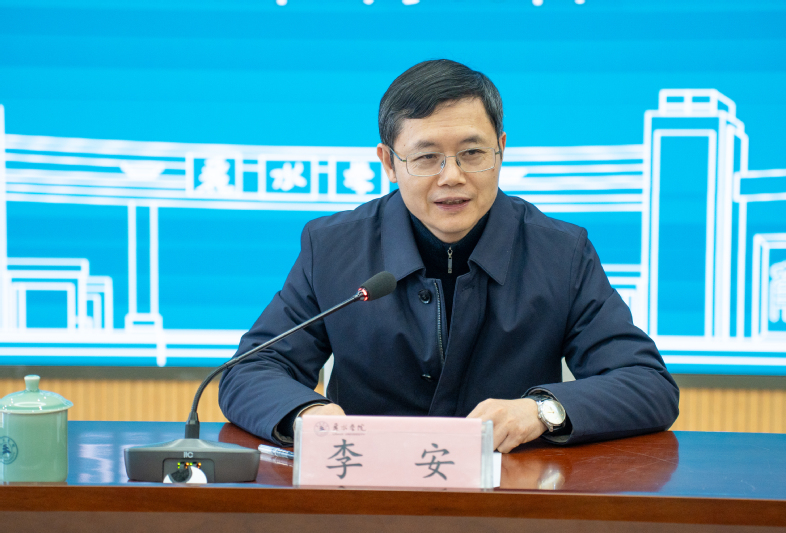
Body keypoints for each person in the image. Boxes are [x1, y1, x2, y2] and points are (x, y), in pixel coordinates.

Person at [218, 59, 679, 452]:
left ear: (501, 149)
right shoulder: (335, 247)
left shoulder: (560, 252)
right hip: (368, 489)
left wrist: (540, 411)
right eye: (426, 158)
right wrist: (307, 415)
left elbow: (647, 383)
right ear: (388, 162)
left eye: (472, 153)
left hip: (509, 493)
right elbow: (251, 370)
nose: (452, 176)